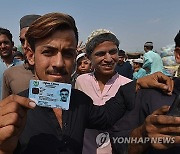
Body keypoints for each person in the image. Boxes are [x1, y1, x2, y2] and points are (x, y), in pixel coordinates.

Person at [0, 12, 173, 154]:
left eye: (67, 53)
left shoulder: (79, 101)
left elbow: (106, 115)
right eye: (48, 52)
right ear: (30, 56)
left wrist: (137, 84)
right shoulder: (15, 113)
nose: (59, 63)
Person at [75, 28, 132, 154]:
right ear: (89, 57)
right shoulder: (81, 81)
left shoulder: (127, 85)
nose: (108, 59)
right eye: (100, 54)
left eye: (113, 52)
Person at [127, 31, 180, 154]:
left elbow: (147, 65)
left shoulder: (148, 56)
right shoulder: (150, 97)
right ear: (178, 55)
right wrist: (143, 134)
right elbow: (123, 145)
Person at [2, 14, 41, 98]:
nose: (26, 45)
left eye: (31, 39)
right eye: (22, 41)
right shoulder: (10, 74)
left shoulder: (56, 71)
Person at [0, 27, 23, 99]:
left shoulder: (23, 66)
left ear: (12, 44)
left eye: (6, 42)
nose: (3, 46)